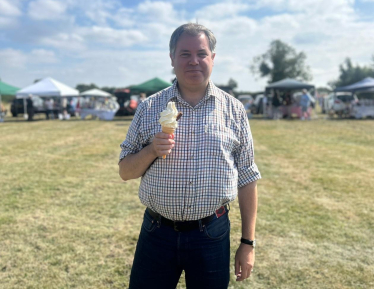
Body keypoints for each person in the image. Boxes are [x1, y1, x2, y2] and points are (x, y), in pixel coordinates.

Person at [119, 23, 261, 289]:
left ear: (213, 58)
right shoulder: (149, 108)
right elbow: (125, 171)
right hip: (156, 233)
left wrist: (248, 243)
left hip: (212, 235)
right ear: (172, 59)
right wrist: (151, 150)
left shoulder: (235, 110)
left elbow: (248, 178)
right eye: (184, 54)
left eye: (201, 53)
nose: (193, 61)